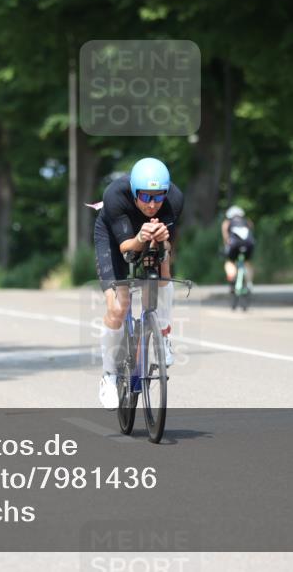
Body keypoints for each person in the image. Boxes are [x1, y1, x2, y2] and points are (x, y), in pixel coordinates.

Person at [93, 157, 183, 410]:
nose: (152, 204)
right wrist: (141, 236)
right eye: (145, 197)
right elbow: (126, 250)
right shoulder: (115, 196)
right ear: (134, 192)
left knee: (163, 261)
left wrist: (163, 241)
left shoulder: (175, 199)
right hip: (115, 239)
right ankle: (109, 375)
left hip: (149, 236)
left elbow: (168, 246)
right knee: (119, 308)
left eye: (158, 197)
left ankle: (163, 332)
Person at [221, 205, 255, 289]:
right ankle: (249, 283)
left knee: (230, 261)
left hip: (234, 245)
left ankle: (232, 278)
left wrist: (226, 245)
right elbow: (251, 232)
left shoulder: (227, 222)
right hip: (248, 244)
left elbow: (226, 237)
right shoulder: (247, 221)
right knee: (247, 263)